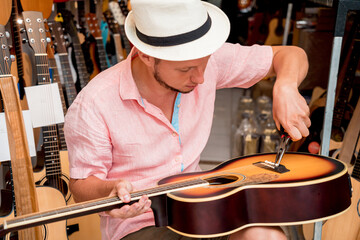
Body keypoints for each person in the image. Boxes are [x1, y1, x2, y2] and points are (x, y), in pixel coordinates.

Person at [64, 0, 310, 239]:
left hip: (202, 204)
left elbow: (291, 54)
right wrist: (110, 191)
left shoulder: (202, 63)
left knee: (266, 235)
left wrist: (286, 86)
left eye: (204, 64)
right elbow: (81, 186)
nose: (200, 78)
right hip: (141, 224)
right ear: (146, 56)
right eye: (185, 70)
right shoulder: (94, 103)